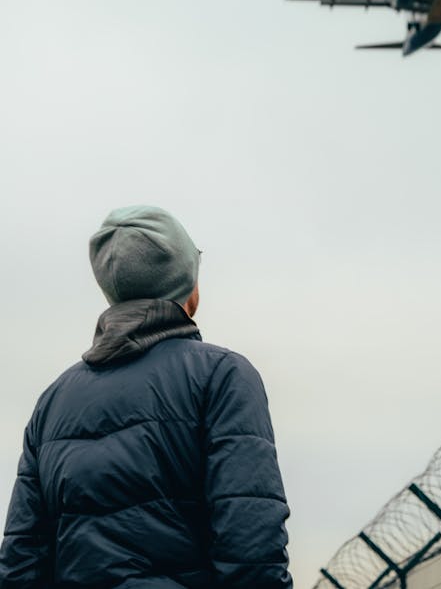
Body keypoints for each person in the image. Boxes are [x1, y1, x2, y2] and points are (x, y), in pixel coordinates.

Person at [0, 206, 293, 589]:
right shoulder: (222, 376)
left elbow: (21, 560)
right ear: (189, 288)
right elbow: (250, 544)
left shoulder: (53, 401)